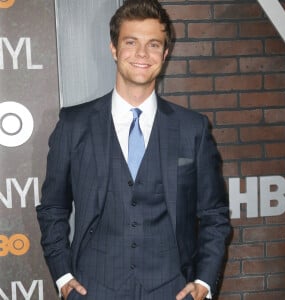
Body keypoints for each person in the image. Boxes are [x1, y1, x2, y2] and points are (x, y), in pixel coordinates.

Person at [36, 0, 231, 299]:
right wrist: (63, 274)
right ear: (114, 49)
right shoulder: (74, 124)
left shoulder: (193, 128)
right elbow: (53, 207)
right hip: (93, 288)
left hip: (173, 288)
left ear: (165, 54)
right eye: (131, 42)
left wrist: (203, 283)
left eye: (153, 44)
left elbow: (214, 214)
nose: (142, 54)